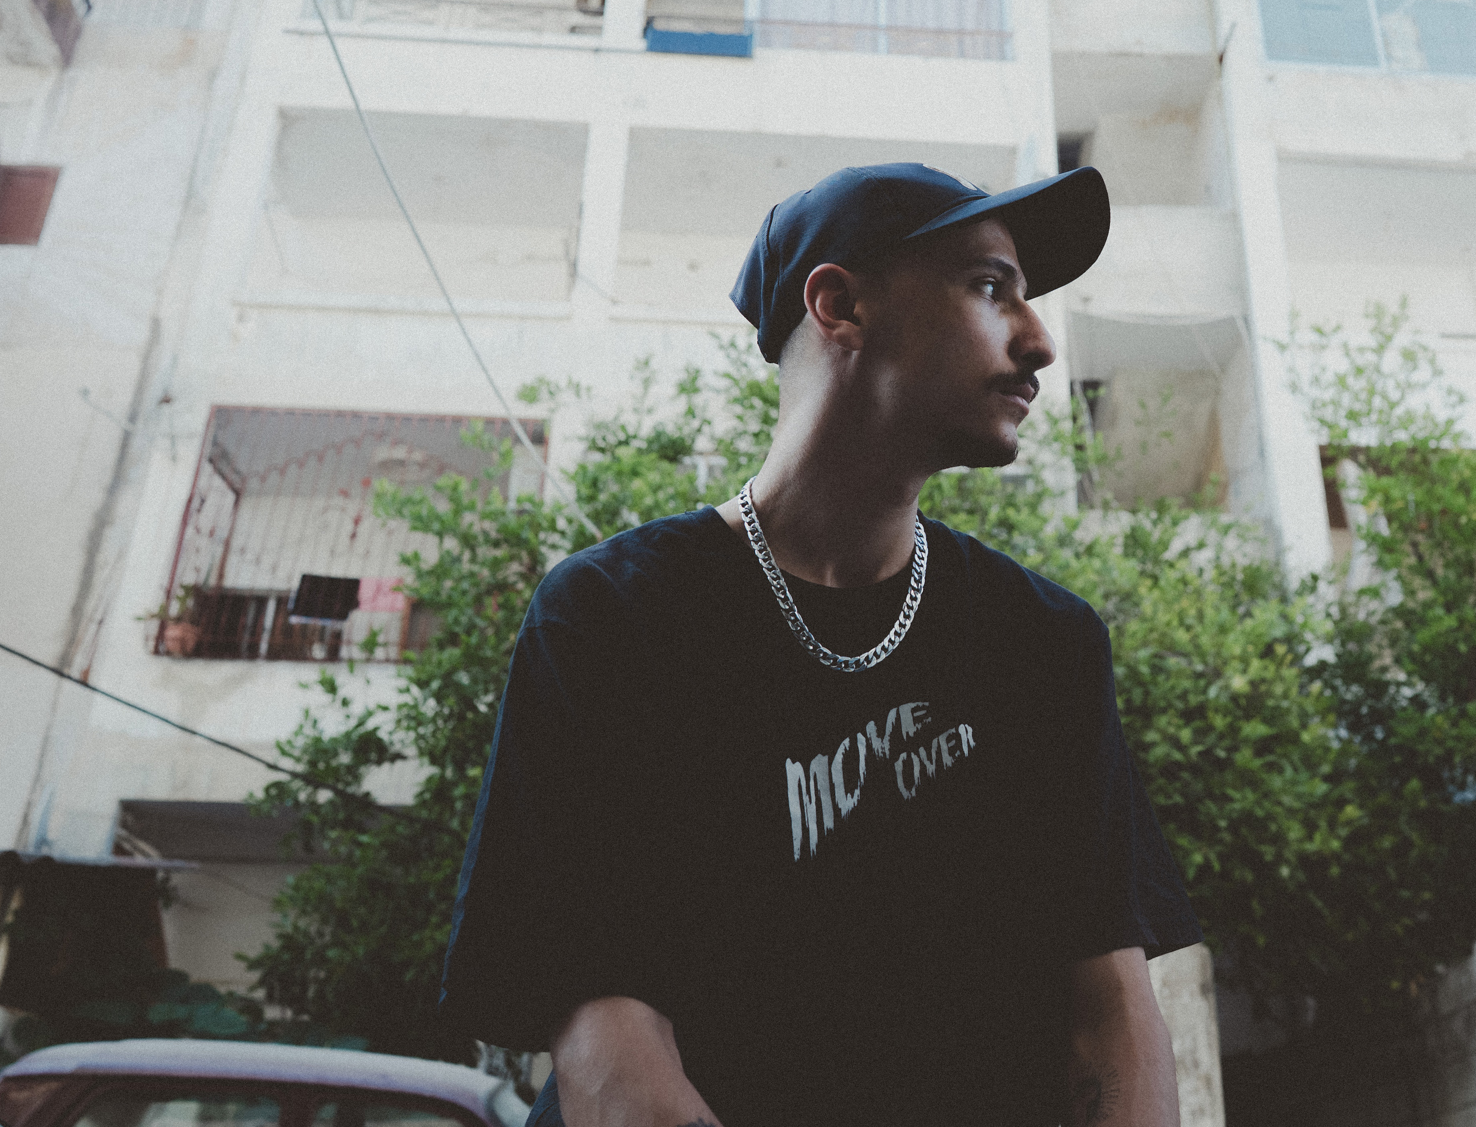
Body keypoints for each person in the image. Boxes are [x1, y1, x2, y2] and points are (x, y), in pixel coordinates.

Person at [440, 163, 1201, 1127]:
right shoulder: (613, 618)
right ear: (839, 306)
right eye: (989, 286)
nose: (1039, 339)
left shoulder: (1042, 645)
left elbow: (1113, 1017)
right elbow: (609, 1046)